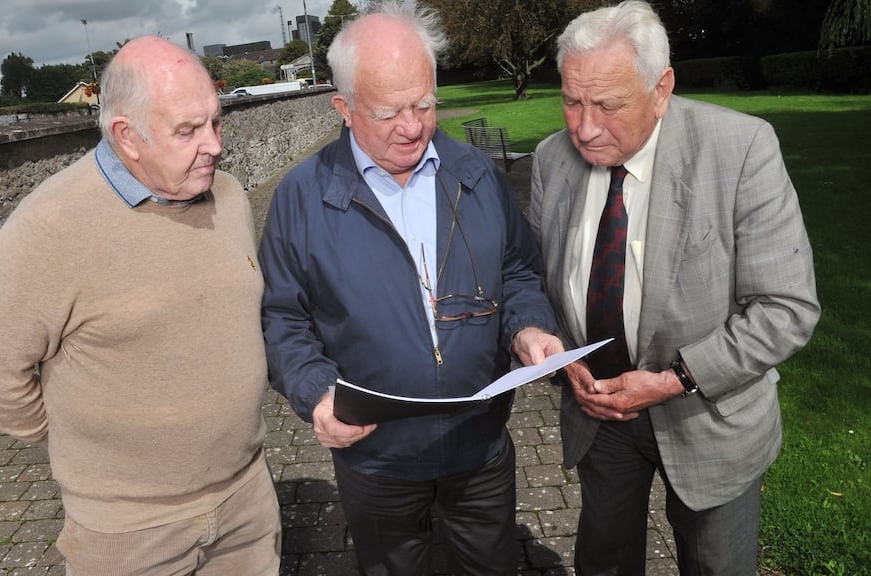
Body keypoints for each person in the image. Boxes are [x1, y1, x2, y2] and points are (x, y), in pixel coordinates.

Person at [0, 36, 280, 575]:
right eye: (188, 131)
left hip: (248, 502)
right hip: (129, 534)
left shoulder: (229, 196)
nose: (215, 145)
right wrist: (90, 448)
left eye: (216, 122)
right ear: (127, 136)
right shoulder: (49, 230)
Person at [258, 2, 561, 575]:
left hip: (480, 445)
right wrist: (317, 393)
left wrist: (527, 327)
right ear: (343, 109)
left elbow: (519, 270)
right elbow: (282, 318)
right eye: (389, 111)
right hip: (376, 457)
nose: (414, 125)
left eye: (424, 103)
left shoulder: (475, 174)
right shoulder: (301, 196)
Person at [527, 2, 821, 574]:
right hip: (600, 415)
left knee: (716, 564)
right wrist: (552, 348)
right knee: (604, 562)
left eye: (608, 105)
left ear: (661, 90)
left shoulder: (741, 149)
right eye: (571, 101)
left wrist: (673, 379)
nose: (584, 128)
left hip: (707, 415)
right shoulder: (550, 160)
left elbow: (787, 307)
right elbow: (542, 280)